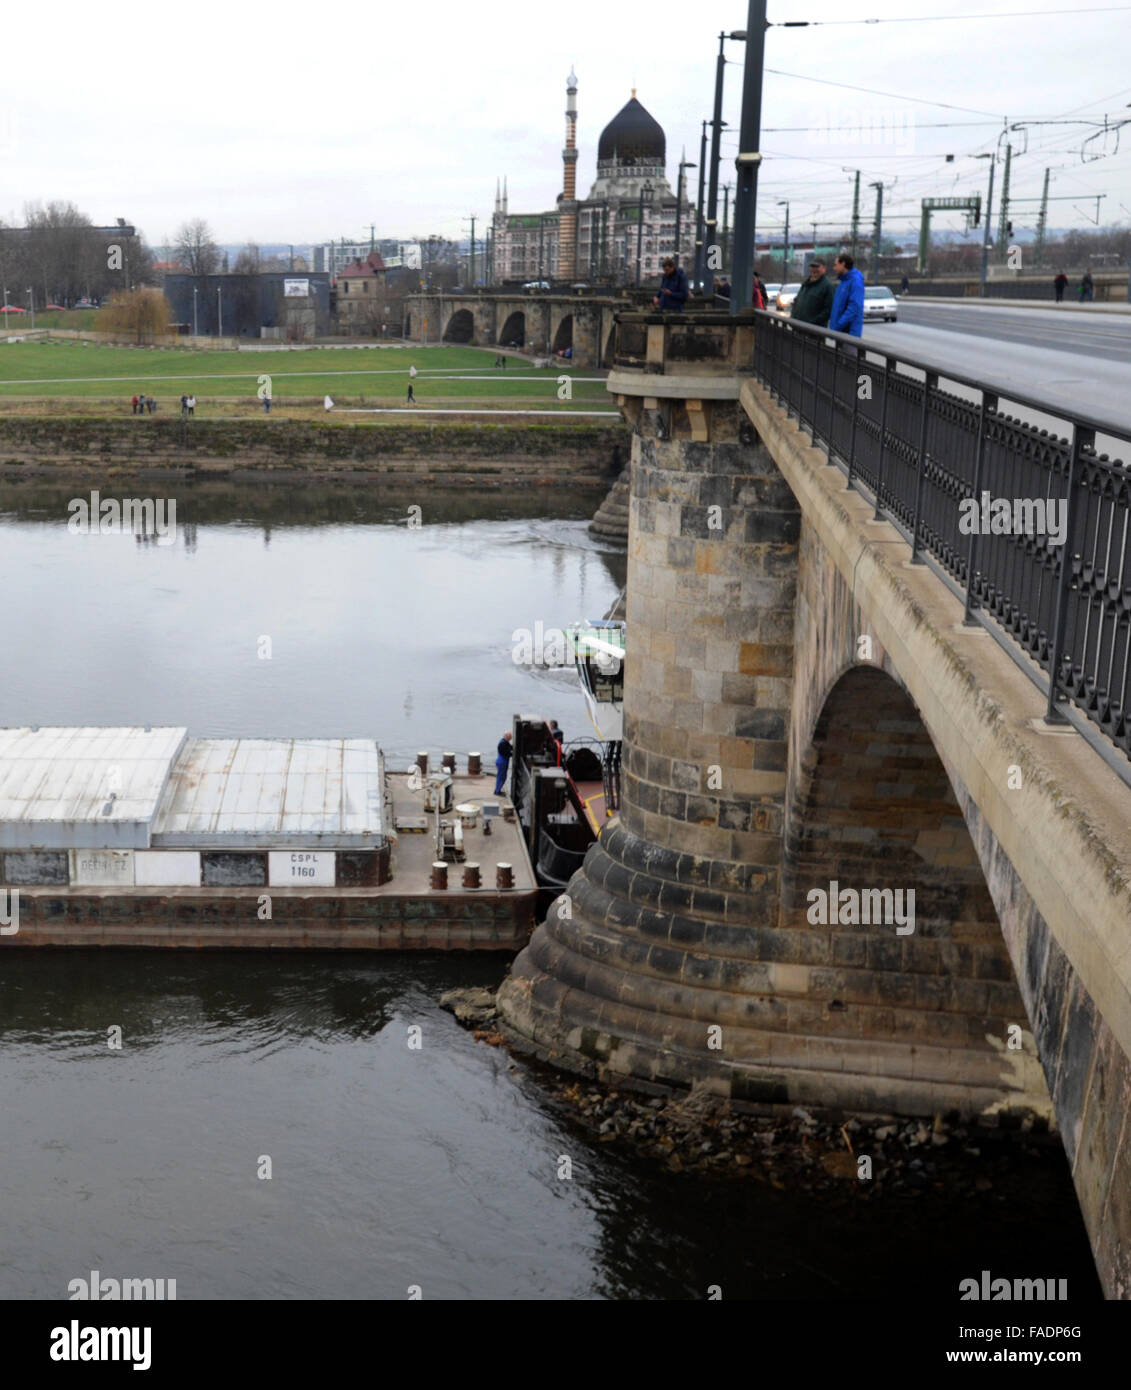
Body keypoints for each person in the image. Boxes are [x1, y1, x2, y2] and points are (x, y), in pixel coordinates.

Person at [790, 258, 836, 328]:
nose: (814, 269)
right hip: (798, 328)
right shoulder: (805, 284)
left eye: (817, 267)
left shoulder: (828, 286)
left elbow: (829, 310)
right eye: (812, 267)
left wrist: (812, 323)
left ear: (824, 268)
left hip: (814, 331)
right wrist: (792, 318)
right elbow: (796, 301)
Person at [829, 254, 866, 337]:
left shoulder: (855, 281)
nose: (834, 268)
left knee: (848, 350)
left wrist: (839, 325)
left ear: (843, 264)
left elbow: (854, 307)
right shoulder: (844, 281)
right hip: (841, 330)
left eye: (836, 265)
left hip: (848, 331)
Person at [494, 730, 513, 796]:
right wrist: (512, 754)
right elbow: (505, 753)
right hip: (502, 762)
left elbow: (510, 748)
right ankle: (497, 791)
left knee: (503, 776)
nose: (511, 738)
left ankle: (498, 789)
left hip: (504, 762)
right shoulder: (502, 743)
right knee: (501, 777)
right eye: (510, 736)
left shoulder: (506, 742)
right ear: (507, 736)